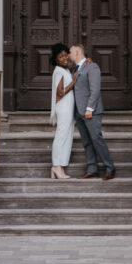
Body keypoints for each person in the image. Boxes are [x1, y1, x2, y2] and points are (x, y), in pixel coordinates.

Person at [68, 43, 116, 180]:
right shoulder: (74, 69)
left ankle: (110, 167)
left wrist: (90, 108)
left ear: (77, 52)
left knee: (96, 139)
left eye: (70, 52)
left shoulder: (92, 67)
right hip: (78, 111)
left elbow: (95, 90)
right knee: (87, 141)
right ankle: (92, 169)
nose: (69, 55)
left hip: (90, 111)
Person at [49, 43, 78, 179]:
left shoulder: (64, 69)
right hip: (63, 108)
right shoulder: (59, 71)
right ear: (56, 59)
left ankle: (59, 167)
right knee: (61, 135)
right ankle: (56, 166)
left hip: (67, 107)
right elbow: (60, 92)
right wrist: (74, 81)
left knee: (66, 135)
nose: (65, 58)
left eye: (66, 55)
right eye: (61, 57)